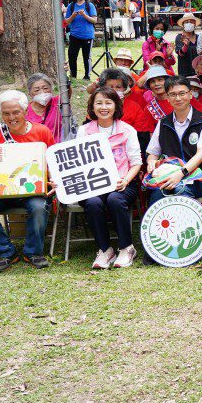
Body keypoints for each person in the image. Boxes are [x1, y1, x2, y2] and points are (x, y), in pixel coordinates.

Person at [0, 90, 56, 272]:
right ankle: (5, 252)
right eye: (6, 113)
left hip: (31, 189)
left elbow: (53, 162)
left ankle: (33, 252)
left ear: (25, 111)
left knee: (38, 206)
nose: (11, 117)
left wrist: (53, 180)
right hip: (2, 189)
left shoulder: (42, 131)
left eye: (16, 112)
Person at [77, 87, 143, 269]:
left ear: (116, 106)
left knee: (115, 200)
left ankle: (126, 248)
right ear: (92, 106)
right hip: (94, 184)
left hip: (122, 183)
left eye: (108, 102)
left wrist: (126, 180)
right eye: (99, 103)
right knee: (92, 203)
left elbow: (136, 162)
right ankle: (105, 249)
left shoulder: (127, 130)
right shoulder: (84, 131)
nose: (103, 107)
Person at [145, 76, 202, 206]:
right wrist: (151, 161)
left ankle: (188, 226)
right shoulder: (163, 123)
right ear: (167, 97)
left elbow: (201, 154)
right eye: (173, 94)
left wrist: (180, 173)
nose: (178, 98)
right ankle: (158, 225)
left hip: (198, 178)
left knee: (179, 190)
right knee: (158, 193)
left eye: (182, 93)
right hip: (168, 175)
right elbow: (152, 152)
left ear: (190, 95)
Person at [64, 0, 98, 79]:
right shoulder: (71, 6)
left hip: (87, 35)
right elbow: (67, 21)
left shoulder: (89, 5)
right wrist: (73, 15)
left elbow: (94, 20)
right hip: (74, 35)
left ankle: (87, 75)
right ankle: (73, 75)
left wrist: (84, 15)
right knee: (72, 55)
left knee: (86, 57)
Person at [25, 73, 62, 141]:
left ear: (51, 89)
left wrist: (64, 74)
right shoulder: (25, 112)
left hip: (57, 148)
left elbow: (67, 93)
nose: (42, 92)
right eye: (37, 90)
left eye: (45, 88)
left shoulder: (58, 102)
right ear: (30, 94)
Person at [174, 12, 201, 77]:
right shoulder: (179, 37)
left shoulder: (199, 37)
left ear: (195, 24)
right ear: (183, 25)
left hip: (198, 71)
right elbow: (180, 53)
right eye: (186, 22)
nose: (189, 24)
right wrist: (185, 46)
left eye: (191, 22)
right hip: (185, 72)